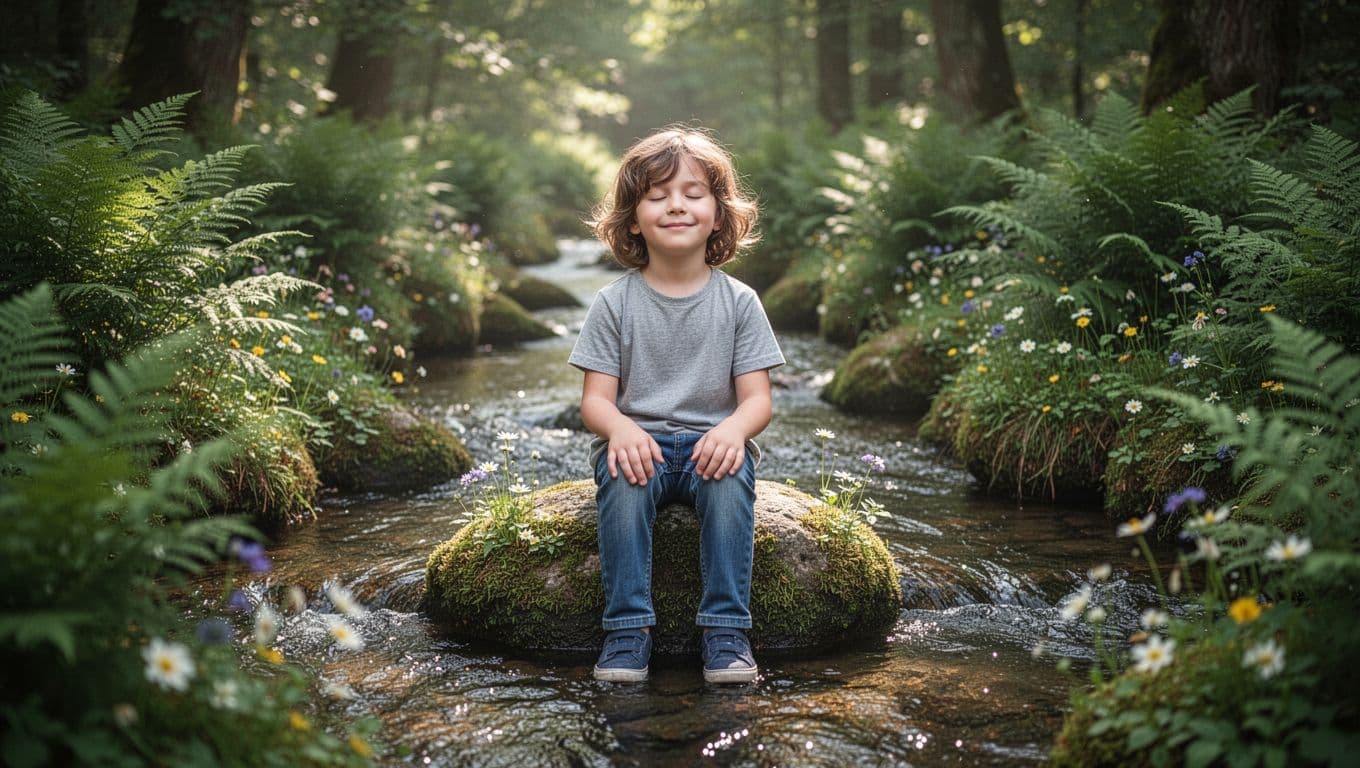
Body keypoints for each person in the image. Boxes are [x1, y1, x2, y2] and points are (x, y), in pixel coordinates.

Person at [568, 126, 785, 684]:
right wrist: (620, 432)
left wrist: (734, 433)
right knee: (623, 482)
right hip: (639, 446)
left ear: (719, 215)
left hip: (714, 443)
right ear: (633, 220)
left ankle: (727, 632)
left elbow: (757, 400)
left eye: (692, 194)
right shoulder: (613, 303)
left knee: (728, 481)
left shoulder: (739, 302)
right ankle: (626, 633)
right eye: (658, 195)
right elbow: (595, 402)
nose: (676, 206)